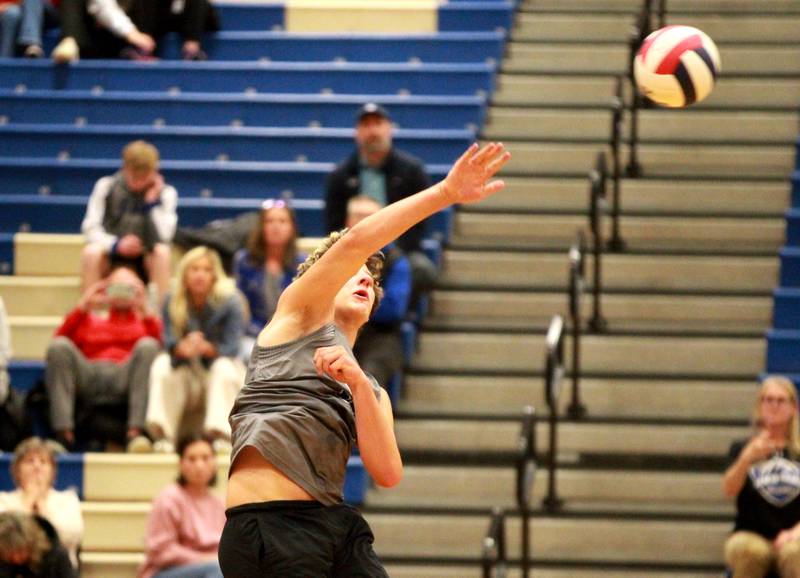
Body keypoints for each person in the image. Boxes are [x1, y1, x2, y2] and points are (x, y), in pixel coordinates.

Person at [218, 142, 510, 576]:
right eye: (351, 274)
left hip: (333, 523)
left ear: (375, 302)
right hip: (270, 525)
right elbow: (357, 240)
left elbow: (388, 472)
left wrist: (357, 385)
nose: (362, 280)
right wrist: (445, 194)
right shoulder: (297, 313)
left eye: (370, 280)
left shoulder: (367, 385)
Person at [325, 102, 439, 309]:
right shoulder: (339, 176)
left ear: (389, 129)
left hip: (398, 250)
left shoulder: (412, 171)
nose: (373, 130)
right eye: (366, 125)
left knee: (421, 269)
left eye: (378, 123)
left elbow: (420, 222)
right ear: (357, 133)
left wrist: (389, 253)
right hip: (350, 248)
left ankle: (395, 322)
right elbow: (333, 223)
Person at [45, 266, 161, 452]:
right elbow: (57, 343)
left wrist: (145, 307)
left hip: (126, 375)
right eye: (116, 286)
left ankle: (135, 434)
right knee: (59, 347)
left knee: (148, 346)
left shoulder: (145, 322)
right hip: (90, 374)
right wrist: (84, 304)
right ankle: (63, 435)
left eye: (128, 287)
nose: (122, 292)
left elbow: (162, 350)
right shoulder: (88, 318)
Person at [145, 247, 246, 454]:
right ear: (185, 273)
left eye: (206, 270)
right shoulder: (172, 300)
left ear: (215, 274)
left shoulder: (232, 301)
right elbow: (167, 342)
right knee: (162, 364)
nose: (200, 274)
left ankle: (222, 437)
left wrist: (207, 348)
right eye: (194, 269)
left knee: (224, 368)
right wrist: (181, 348)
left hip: (217, 367)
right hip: (186, 370)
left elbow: (233, 347)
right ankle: (163, 436)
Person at [80, 140, 177, 303]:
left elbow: (165, 236)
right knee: (91, 253)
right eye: (134, 176)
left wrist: (151, 204)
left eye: (144, 177)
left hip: (145, 258)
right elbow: (90, 228)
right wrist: (116, 245)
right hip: (112, 256)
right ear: (125, 169)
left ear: (155, 171)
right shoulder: (105, 186)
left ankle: (162, 320)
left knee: (163, 253)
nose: (139, 182)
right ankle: (90, 318)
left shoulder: (167, 193)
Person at [723, 375, 800, 577]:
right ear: (759, 407)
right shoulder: (741, 448)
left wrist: (796, 532)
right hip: (750, 533)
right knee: (749, 552)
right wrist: (746, 459)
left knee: (795, 553)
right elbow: (729, 490)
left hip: (795, 534)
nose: (774, 405)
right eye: (768, 400)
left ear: (794, 408)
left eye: (781, 400)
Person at [346, 195, 411, 390]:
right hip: (337, 332)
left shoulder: (396, 260)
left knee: (367, 378)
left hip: (380, 338)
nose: (364, 222)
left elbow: (393, 309)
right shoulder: (332, 255)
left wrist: (349, 306)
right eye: (358, 216)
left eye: (370, 216)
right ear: (348, 222)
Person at [139, 432, 225, 578]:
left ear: (214, 463)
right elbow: (161, 552)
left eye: (205, 458)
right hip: (167, 571)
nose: (199, 465)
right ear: (181, 464)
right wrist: (204, 559)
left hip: (210, 568)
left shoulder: (219, 503)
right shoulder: (169, 498)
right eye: (191, 459)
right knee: (218, 571)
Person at [233, 199, 306, 359]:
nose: (276, 226)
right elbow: (240, 308)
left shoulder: (304, 263)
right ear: (261, 227)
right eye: (269, 221)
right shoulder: (244, 261)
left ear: (292, 227)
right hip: (254, 334)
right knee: (246, 354)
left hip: (293, 335)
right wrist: (264, 335)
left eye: (282, 221)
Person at [0, 438, 83, 570]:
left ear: (52, 471)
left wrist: (43, 508)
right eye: (29, 461)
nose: (36, 466)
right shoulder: (4, 500)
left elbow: (72, 535)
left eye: (43, 462)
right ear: (17, 470)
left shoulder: (67, 499)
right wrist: (27, 503)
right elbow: (4, 538)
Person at [51, 0, 155, 61]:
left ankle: (142, 49)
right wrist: (132, 34)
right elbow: (103, 7)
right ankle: (70, 41)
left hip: (136, 31)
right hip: (91, 33)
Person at [0, 512, 75, 578]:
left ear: (32, 543)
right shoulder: (4, 564)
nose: (16, 558)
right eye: (9, 555)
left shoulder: (56, 557)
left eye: (20, 551)